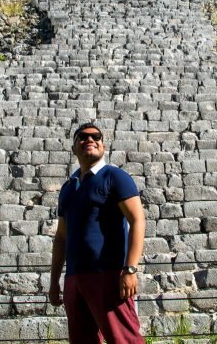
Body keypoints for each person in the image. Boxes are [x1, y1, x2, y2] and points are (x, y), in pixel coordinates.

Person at [49, 122, 146, 343]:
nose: (90, 140)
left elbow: (137, 219)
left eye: (96, 136)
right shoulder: (68, 188)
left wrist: (130, 269)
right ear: (74, 148)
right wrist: (55, 281)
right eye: (82, 137)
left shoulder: (115, 176)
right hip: (74, 278)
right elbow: (61, 237)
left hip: (107, 274)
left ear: (103, 145)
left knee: (123, 339)